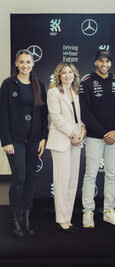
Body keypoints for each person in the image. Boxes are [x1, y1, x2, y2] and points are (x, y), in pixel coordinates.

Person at [0, 49, 48, 238]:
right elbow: (2, 114)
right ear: (17, 64)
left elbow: (44, 115)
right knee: (19, 178)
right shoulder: (8, 84)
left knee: (30, 180)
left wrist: (44, 137)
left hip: (34, 140)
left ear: (33, 64)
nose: (25, 65)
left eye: (28, 62)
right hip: (15, 141)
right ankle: (14, 220)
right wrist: (6, 141)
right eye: (21, 62)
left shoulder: (38, 85)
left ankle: (26, 219)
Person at [79, 49, 115, 228]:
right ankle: (88, 211)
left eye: (107, 61)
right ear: (95, 63)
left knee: (111, 174)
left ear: (110, 63)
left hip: (114, 137)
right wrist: (103, 133)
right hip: (94, 137)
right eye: (101, 61)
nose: (104, 64)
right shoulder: (86, 83)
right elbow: (86, 113)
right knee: (90, 174)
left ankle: (108, 210)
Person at [46, 62, 85, 232]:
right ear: (59, 75)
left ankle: (67, 218)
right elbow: (56, 118)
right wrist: (72, 135)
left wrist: (81, 133)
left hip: (77, 141)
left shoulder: (76, 93)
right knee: (62, 181)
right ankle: (61, 218)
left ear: (74, 74)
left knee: (72, 181)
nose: (68, 75)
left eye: (70, 72)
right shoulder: (53, 92)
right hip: (62, 141)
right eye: (64, 73)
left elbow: (81, 118)